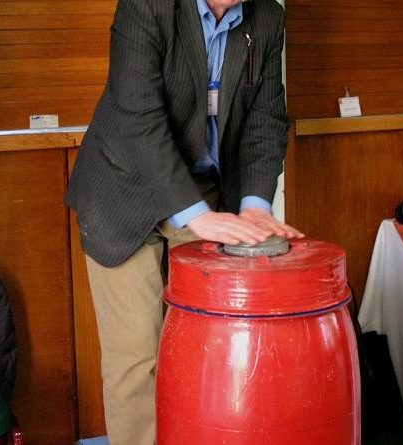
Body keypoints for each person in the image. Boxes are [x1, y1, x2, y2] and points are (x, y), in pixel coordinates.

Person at [65, 0, 302, 443]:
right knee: (137, 355)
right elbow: (137, 116)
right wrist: (198, 217)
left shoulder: (267, 17)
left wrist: (254, 204)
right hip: (123, 189)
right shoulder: (147, 6)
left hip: (203, 188)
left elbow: (266, 118)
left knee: (208, 344)